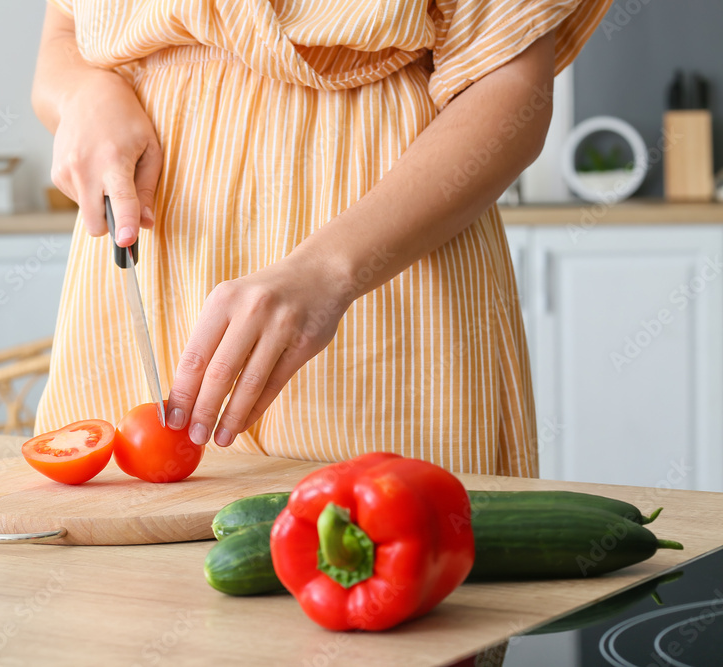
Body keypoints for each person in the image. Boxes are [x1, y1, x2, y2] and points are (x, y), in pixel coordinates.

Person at [32, 0, 613, 475]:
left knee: (387, 574)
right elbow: (63, 34)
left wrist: (330, 271)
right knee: (115, 599)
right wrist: (81, 94)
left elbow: (513, 93)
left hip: (378, 287)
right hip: (144, 276)